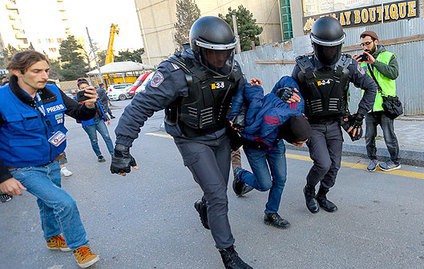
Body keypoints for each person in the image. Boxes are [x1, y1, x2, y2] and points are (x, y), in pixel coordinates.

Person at [110, 16, 253, 269]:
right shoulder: (176, 73)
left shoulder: (233, 67)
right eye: (213, 54)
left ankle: (203, 205)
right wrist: (122, 146)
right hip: (192, 139)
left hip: (221, 136)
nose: (221, 60)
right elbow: (140, 107)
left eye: (225, 53)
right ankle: (228, 253)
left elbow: (244, 92)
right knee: (219, 196)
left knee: (216, 189)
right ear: (199, 49)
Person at [0, 50, 100, 268]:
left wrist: (90, 106)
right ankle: (80, 247)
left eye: (46, 70)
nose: (44, 76)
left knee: (47, 202)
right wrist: (3, 177)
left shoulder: (53, 91)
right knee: (65, 203)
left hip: (53, 160)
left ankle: (53, 237)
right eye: (36, 71)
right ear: (17, 72)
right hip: (23, 168)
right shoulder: (1, 99)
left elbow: (79, 114)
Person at [287, 17, 378, 214]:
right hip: (313, 126)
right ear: (315, 45)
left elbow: (371, 87)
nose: (329, 52)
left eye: (333, 47)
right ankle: (309, 191)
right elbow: (289, 92)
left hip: (336, 123)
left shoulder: (347, 65)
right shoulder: (303, 67)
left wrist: (359, 115)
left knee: (334, 167)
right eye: (325, 47)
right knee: (323, 163)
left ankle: (322, 195)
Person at [231, 77, 311, 229]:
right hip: (255, 147)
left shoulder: (297, 106)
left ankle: (271, 213)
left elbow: (287, 79)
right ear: (288, 134)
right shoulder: (262, 124)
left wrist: (283, 91)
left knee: (280, 179)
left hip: (275, 145)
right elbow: (244, 132)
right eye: (298, 142)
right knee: (264, 184)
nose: (300, 146)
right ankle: (240, 174)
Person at [353, 30, 401, 172]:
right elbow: (358, 83)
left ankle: (395, 161)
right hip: (369, 106)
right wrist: (355, 67)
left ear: (376, 42)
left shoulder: (389, 56)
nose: (365, 47)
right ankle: (372, 159)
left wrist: (374, 62)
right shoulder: (362, 61)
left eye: (367, 43)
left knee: (389, 136)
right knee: (369, 136)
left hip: (385, 105)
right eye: (363, 44)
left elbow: (393, 74)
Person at [76, 78, 115, 162]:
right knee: (94, 140)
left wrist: (106, 117)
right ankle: (99, 155)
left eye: (86, 87)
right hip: (88, 122)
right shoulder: (77, 99)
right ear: (79, 89)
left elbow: (100, 106)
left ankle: (113, 154)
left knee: (107, 136)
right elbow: (76, 112)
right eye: (82, 88)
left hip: (98, 119)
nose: (85, 89)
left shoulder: (93, 95)